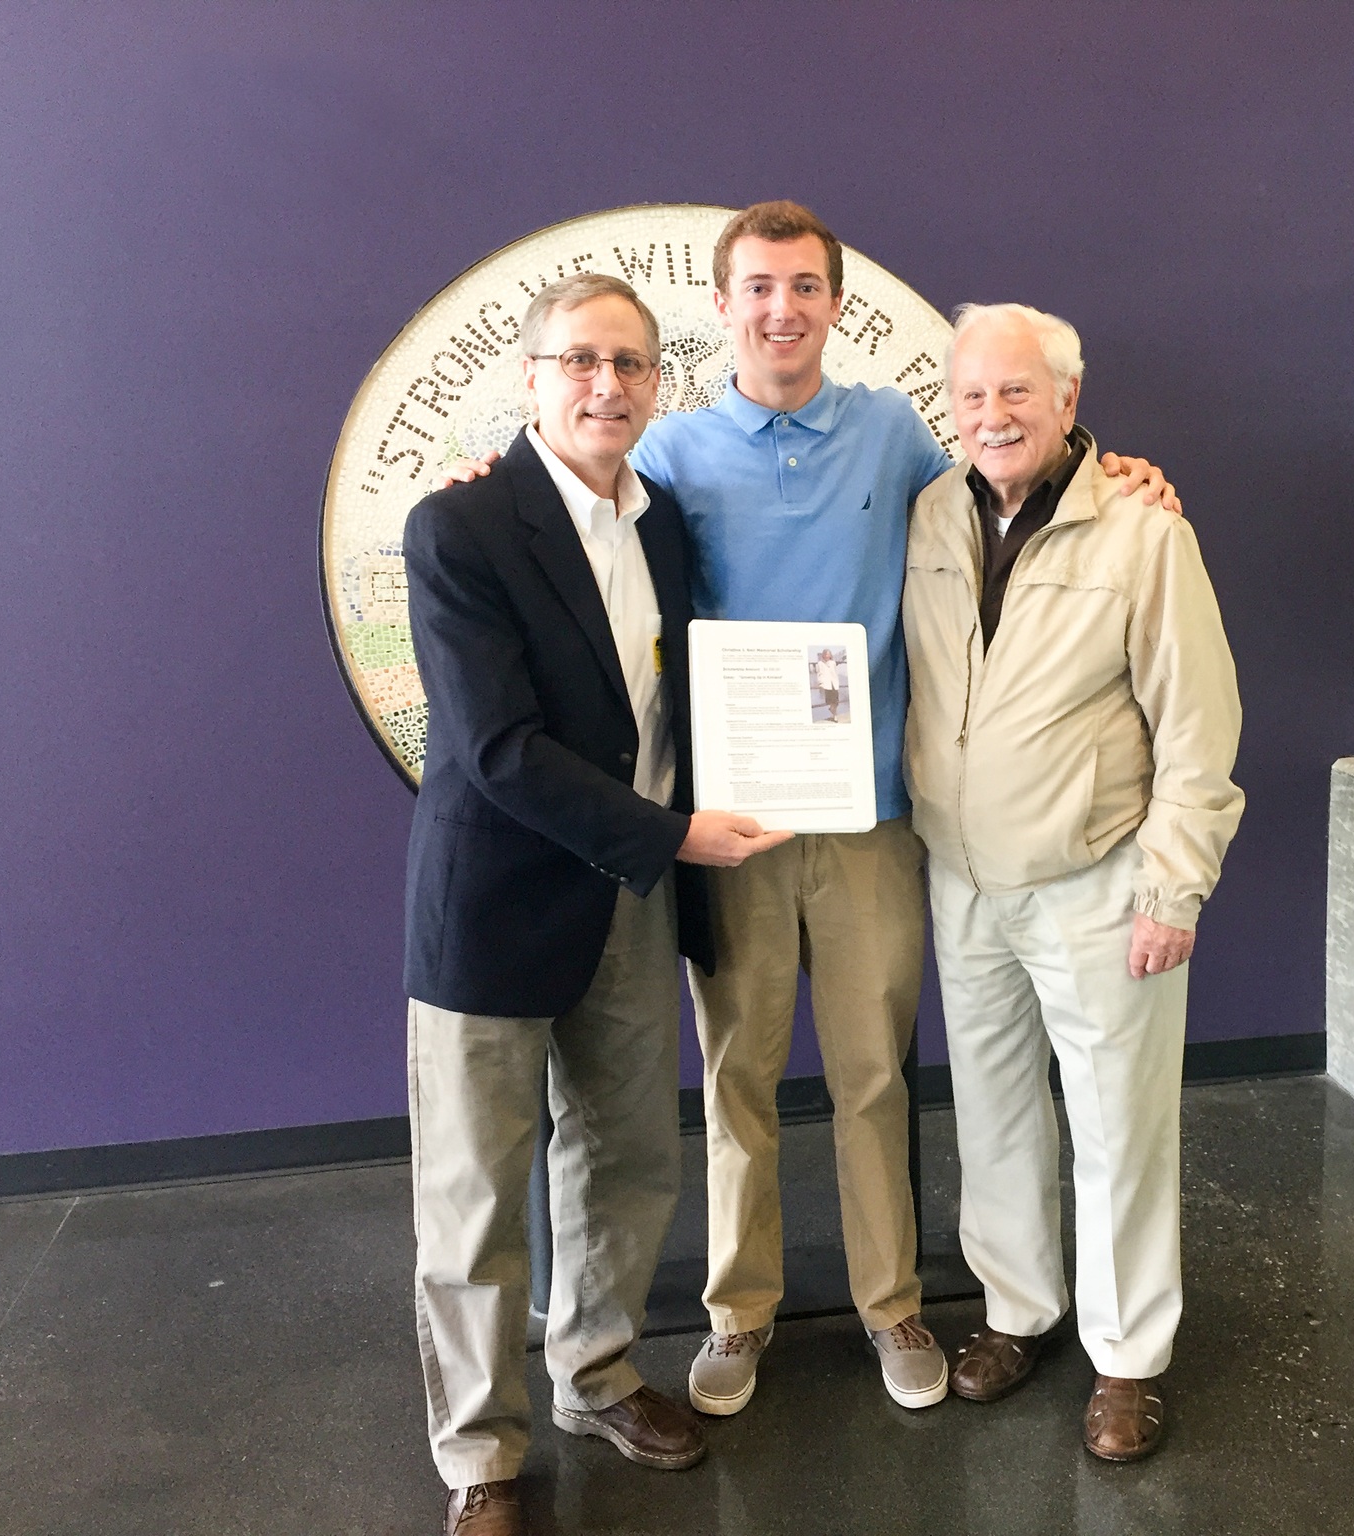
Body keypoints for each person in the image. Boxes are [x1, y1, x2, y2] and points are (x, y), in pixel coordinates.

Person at [447, 201, 1176, 1419]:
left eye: (802, 287)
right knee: (737, 1080)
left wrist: (1115, 465)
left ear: (833, 304)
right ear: (721, 308)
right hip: (725, 831)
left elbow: (1009, 484)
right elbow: (559, 509)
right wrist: (488, 467)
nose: (780, 309)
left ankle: (892, 1303)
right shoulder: (669, 452)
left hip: (871, 826)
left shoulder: (893, 432)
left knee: (871, 1077)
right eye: (756, 289)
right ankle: (739, 1315)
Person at [403, 272, 788, 1536]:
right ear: (530, 378)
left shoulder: (663, 521)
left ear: (655, 383)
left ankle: (597, 1373)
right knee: (475, 1192)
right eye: (578, 361)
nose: (604, 385)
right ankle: (478, 1455)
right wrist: (675, 833)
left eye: (627, 365)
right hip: (496, 906)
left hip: (630, 898)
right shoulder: (458, 529)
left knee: (625, 1158)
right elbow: (496, 749)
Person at [902, 303, 1243, 1462]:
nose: (991, 415)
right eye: (972, 395)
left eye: (1016, 393)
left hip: (1096, 881)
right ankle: (1015, 1313)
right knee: (993, 1118)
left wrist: (1173, 889)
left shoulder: (1143, 533)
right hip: (962, 880)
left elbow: (1198, 728)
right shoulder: (928, 514)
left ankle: (1127, 1359)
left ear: (1066, 400)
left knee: (1117, 1129)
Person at [814, 649, 842, 721]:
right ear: (823, 655)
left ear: (830, 655)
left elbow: (835, 672)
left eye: (828, 654)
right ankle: (835, 716)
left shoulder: (833, 663)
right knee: (831, 701)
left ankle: (832, 710)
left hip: (834, 683)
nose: (827, 656)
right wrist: (820, 683)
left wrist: (837, 681)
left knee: (836, 702)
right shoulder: (820, 663)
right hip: (827, 684)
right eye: (826, 654)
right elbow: (819, 674)